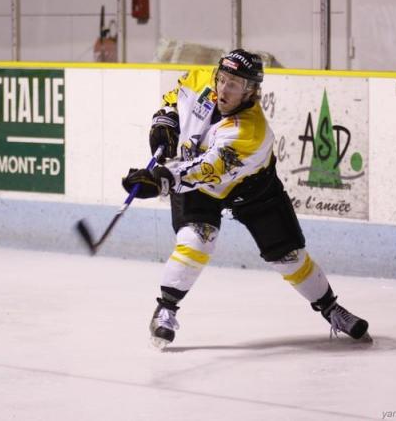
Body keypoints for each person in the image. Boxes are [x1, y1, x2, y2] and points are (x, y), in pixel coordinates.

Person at [122, 49, 370, 349]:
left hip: (251, 189)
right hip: (199, 186)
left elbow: (208, 169)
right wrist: (165, 122)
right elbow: (174, 97)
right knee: (197, 240)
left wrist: (163, 179)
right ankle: (166, 310)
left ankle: (332, 310)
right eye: (222, 79)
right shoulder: (200, 79)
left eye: (234, 85)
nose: (223, 88)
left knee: (288, 256)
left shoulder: (251, 132)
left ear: (250, 91)